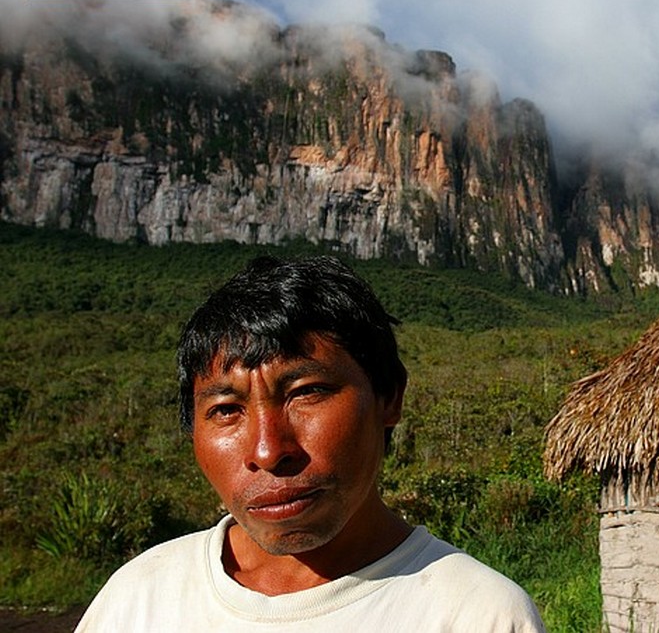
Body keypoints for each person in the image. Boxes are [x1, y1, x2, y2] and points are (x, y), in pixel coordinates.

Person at [75, 255, 546, 632]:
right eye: (225, 410)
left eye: (307, 393)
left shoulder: (479, 615)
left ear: (388, 397)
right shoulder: (138, 598)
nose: (268, 450)